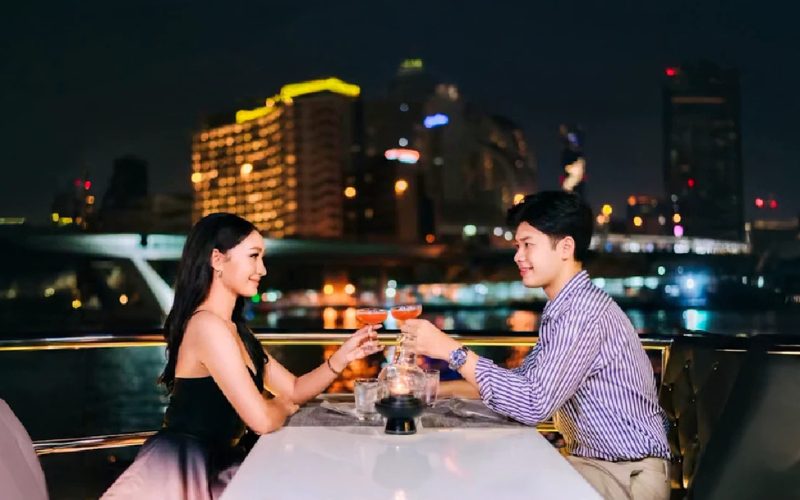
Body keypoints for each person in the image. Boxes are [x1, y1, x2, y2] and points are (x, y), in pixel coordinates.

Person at [400, 191, 670, 500]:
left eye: (528, 245)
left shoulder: (581, 313)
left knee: (489, 483)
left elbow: (533, 403)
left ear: (565, 247)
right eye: (517, 246)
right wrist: (433, 392)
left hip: (625, 476)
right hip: (599, 465)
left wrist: (452, 351)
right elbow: (520, 384)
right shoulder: (566, 308)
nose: (517, 256)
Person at [103, 213, 382, 499]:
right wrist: (282, 408)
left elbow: (295, 389)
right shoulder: (207, 326)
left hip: (215, 466)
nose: (262, 269)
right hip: (182, 471)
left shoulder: (237, 331)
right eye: (253, 256)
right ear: (217, 260)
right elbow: (262, 420)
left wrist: (343, 357)